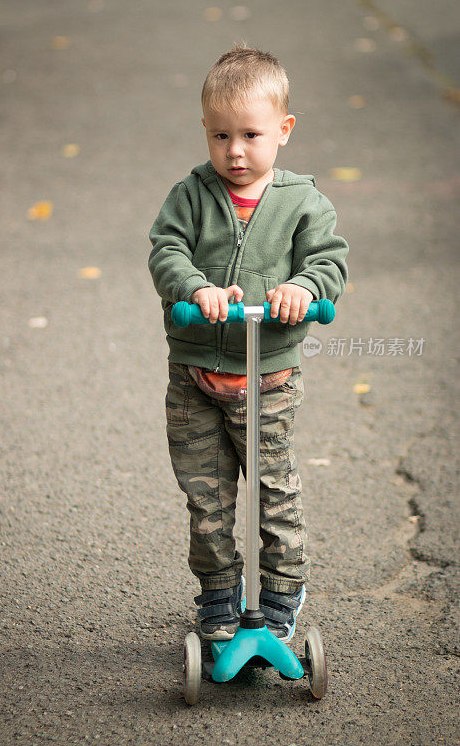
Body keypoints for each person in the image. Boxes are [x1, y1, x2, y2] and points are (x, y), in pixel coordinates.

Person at [148, 46, 348, 642]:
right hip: (196, 377)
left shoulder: (303, 203)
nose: (234, 151)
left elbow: (329, 263)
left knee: (273, 492)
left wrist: (303, 287)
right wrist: (194, 287)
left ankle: (283, 593)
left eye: (251, 135)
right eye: (220, 136)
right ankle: (217, 595)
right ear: (206, 132)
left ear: (283, 131)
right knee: (206, 500)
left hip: (269, 378)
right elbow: (166, 250)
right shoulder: (190, 196)